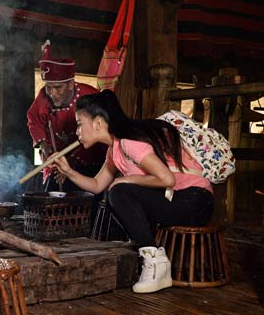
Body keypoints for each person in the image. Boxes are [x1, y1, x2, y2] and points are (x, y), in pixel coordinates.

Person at [52, 90, 214, 293]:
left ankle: (155, 262)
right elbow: (97, 185)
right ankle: (153, 258)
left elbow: (167, 179)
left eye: (79, 124)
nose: (77, 132)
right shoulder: (115, 150)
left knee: (119, 191)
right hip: (180, 200)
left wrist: (127, 179)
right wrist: (69, 172)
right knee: (115, 192)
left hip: (195, 200)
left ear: (98, 123)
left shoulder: (129, 142)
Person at [27, 40, 107, 192]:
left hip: (90, 161)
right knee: (52, 192)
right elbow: (34, 119)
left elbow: (99, 136)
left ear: (71, 84)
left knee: (80, 197)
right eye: (48, 87)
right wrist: (43, 144)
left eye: (58, 88)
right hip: (59, 160)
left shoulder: (90, 96)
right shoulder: (44, 96)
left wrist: (71, 165)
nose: (52, 94)